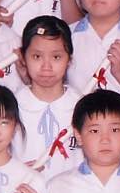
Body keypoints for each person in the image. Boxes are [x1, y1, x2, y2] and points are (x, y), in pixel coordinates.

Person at [14, 15, 81, 178]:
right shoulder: (11, 106)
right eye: (37, 57)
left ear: (69, 59)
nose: (46, 67)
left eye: (56, 57)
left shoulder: (81, 106)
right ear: (23, 58)